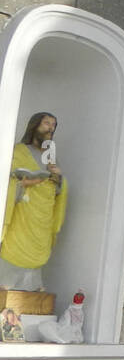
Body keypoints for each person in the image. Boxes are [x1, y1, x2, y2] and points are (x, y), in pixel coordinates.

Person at [1, 112, 67, 290]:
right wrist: (29, 182)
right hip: (22, 213)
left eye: (53, 125)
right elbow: (7, 181)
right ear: (34, 125)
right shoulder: (19, 151)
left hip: (43, 216)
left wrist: (58, 180)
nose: (50, 128)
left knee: (39, 254)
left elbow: (58, 190)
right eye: (46, 123)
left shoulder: (50, 158)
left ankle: (29, 291)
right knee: (13, 249)